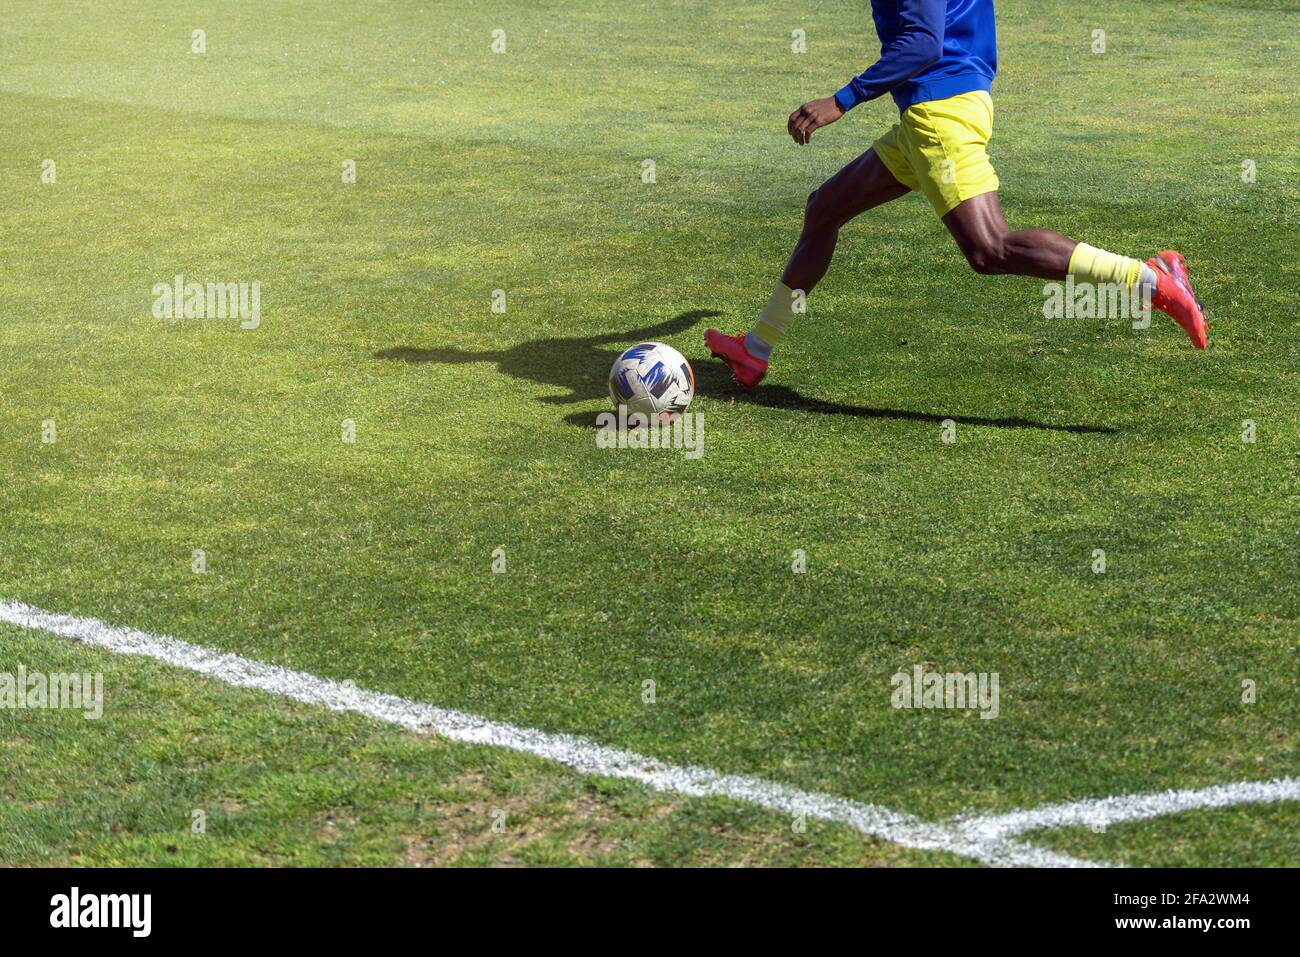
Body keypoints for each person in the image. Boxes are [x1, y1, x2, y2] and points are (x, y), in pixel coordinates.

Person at [705, 0, 1207, 389]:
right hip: (945, 105)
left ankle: (1151, 280)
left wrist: (841, 100)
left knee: (989, 249)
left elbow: (922, 44)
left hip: (939, 113)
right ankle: (756, 349)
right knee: (825, 209)